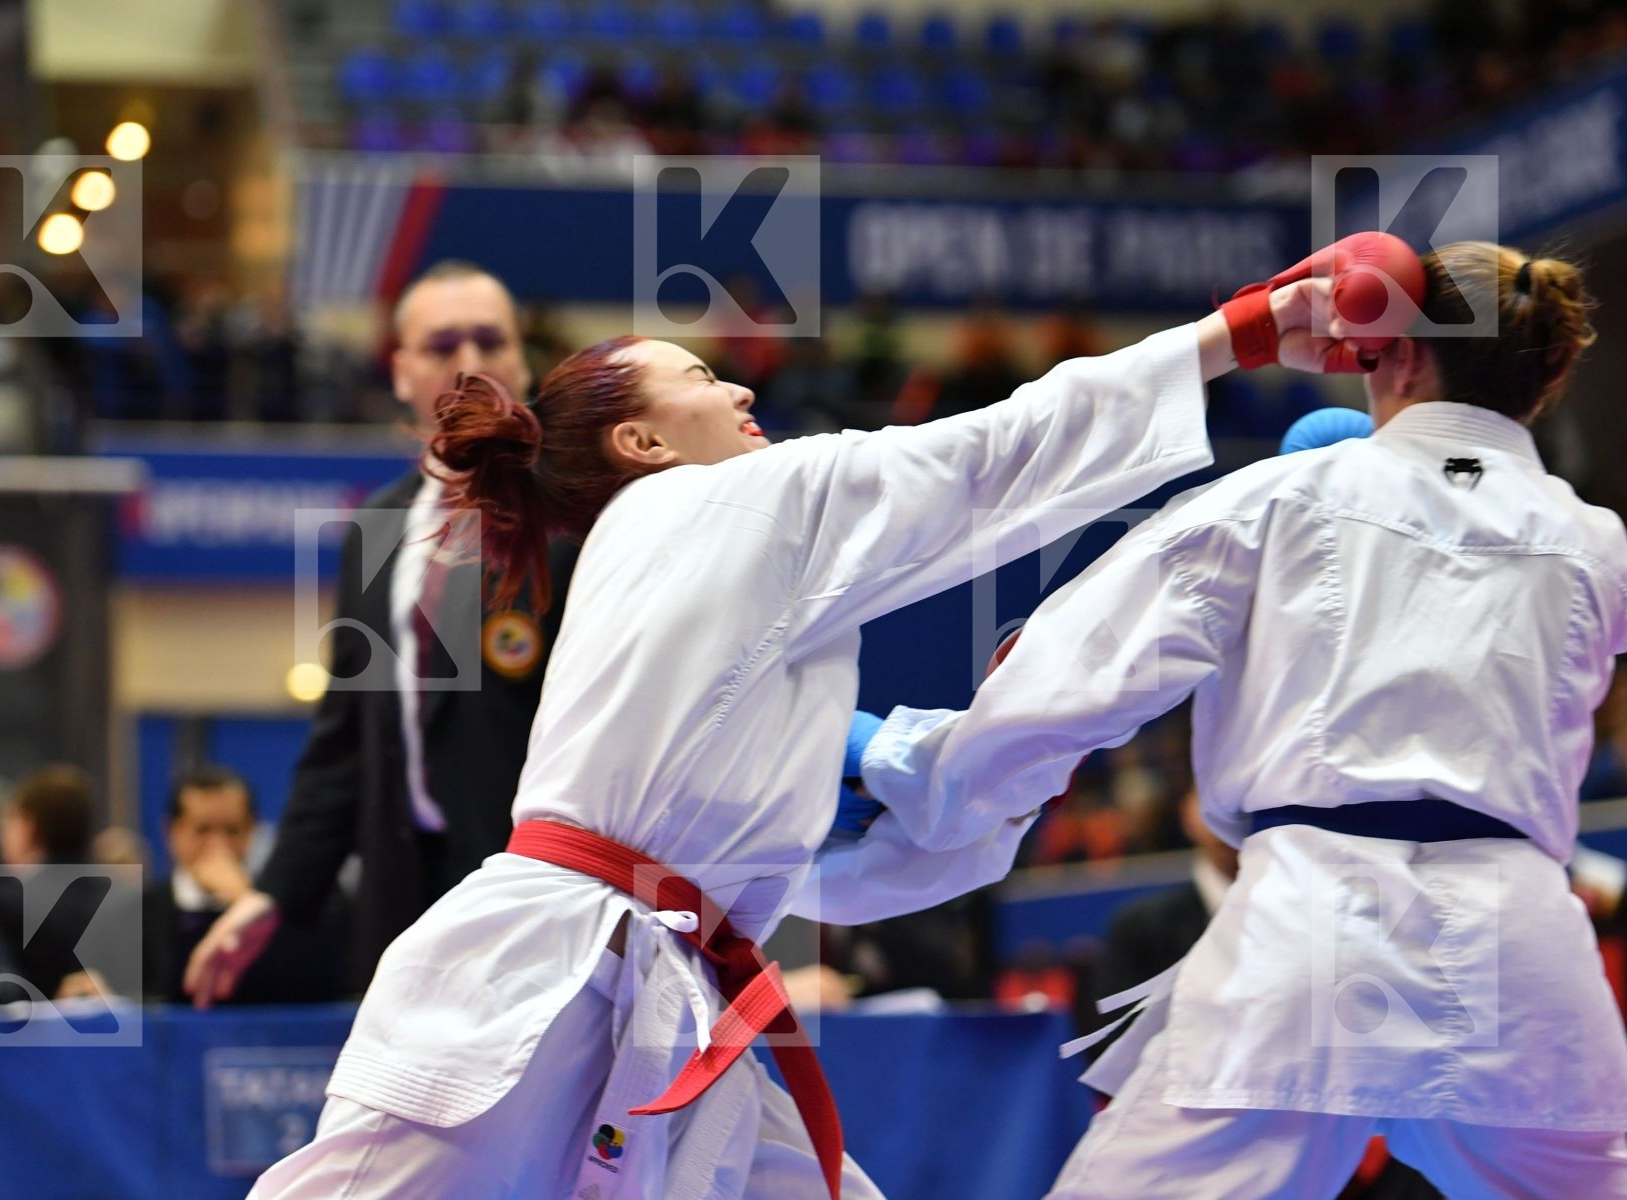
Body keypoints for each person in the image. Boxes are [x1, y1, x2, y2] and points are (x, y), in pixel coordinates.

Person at [248, 268, 1342, 1197]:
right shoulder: (729, 503)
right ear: (642, 439)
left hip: (677, 977)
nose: (734, 385)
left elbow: (841, 870)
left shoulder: (700, 567)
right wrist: (1232, 334)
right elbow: (987, 459)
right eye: (697, 377)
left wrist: (954, 751)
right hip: (544, 967)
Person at [860, 242, 1627, 1196]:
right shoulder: (1598, 542)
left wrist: (928, 776)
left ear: (1389, 353)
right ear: (1540, 383)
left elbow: (1083, 670)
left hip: (1315, 929)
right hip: (1524, 942)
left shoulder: (1290, 495)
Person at [186, 262, 581, 1004]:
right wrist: (270, 896)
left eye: (490, 341)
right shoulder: (376, 530)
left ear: (522, 361)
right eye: (441, 345)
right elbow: (344, 745)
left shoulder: (570, 514)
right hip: (403, 901)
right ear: (400, 372)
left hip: (538, 903)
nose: (468, 363)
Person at [144, 766, 347, 1005]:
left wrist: (243, 898)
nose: (218, 845)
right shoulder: (141, 910)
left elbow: (321, 981)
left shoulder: (301, 902)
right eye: (202, 830)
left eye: (232, 830)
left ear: (252, 828)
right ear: (172, 831)